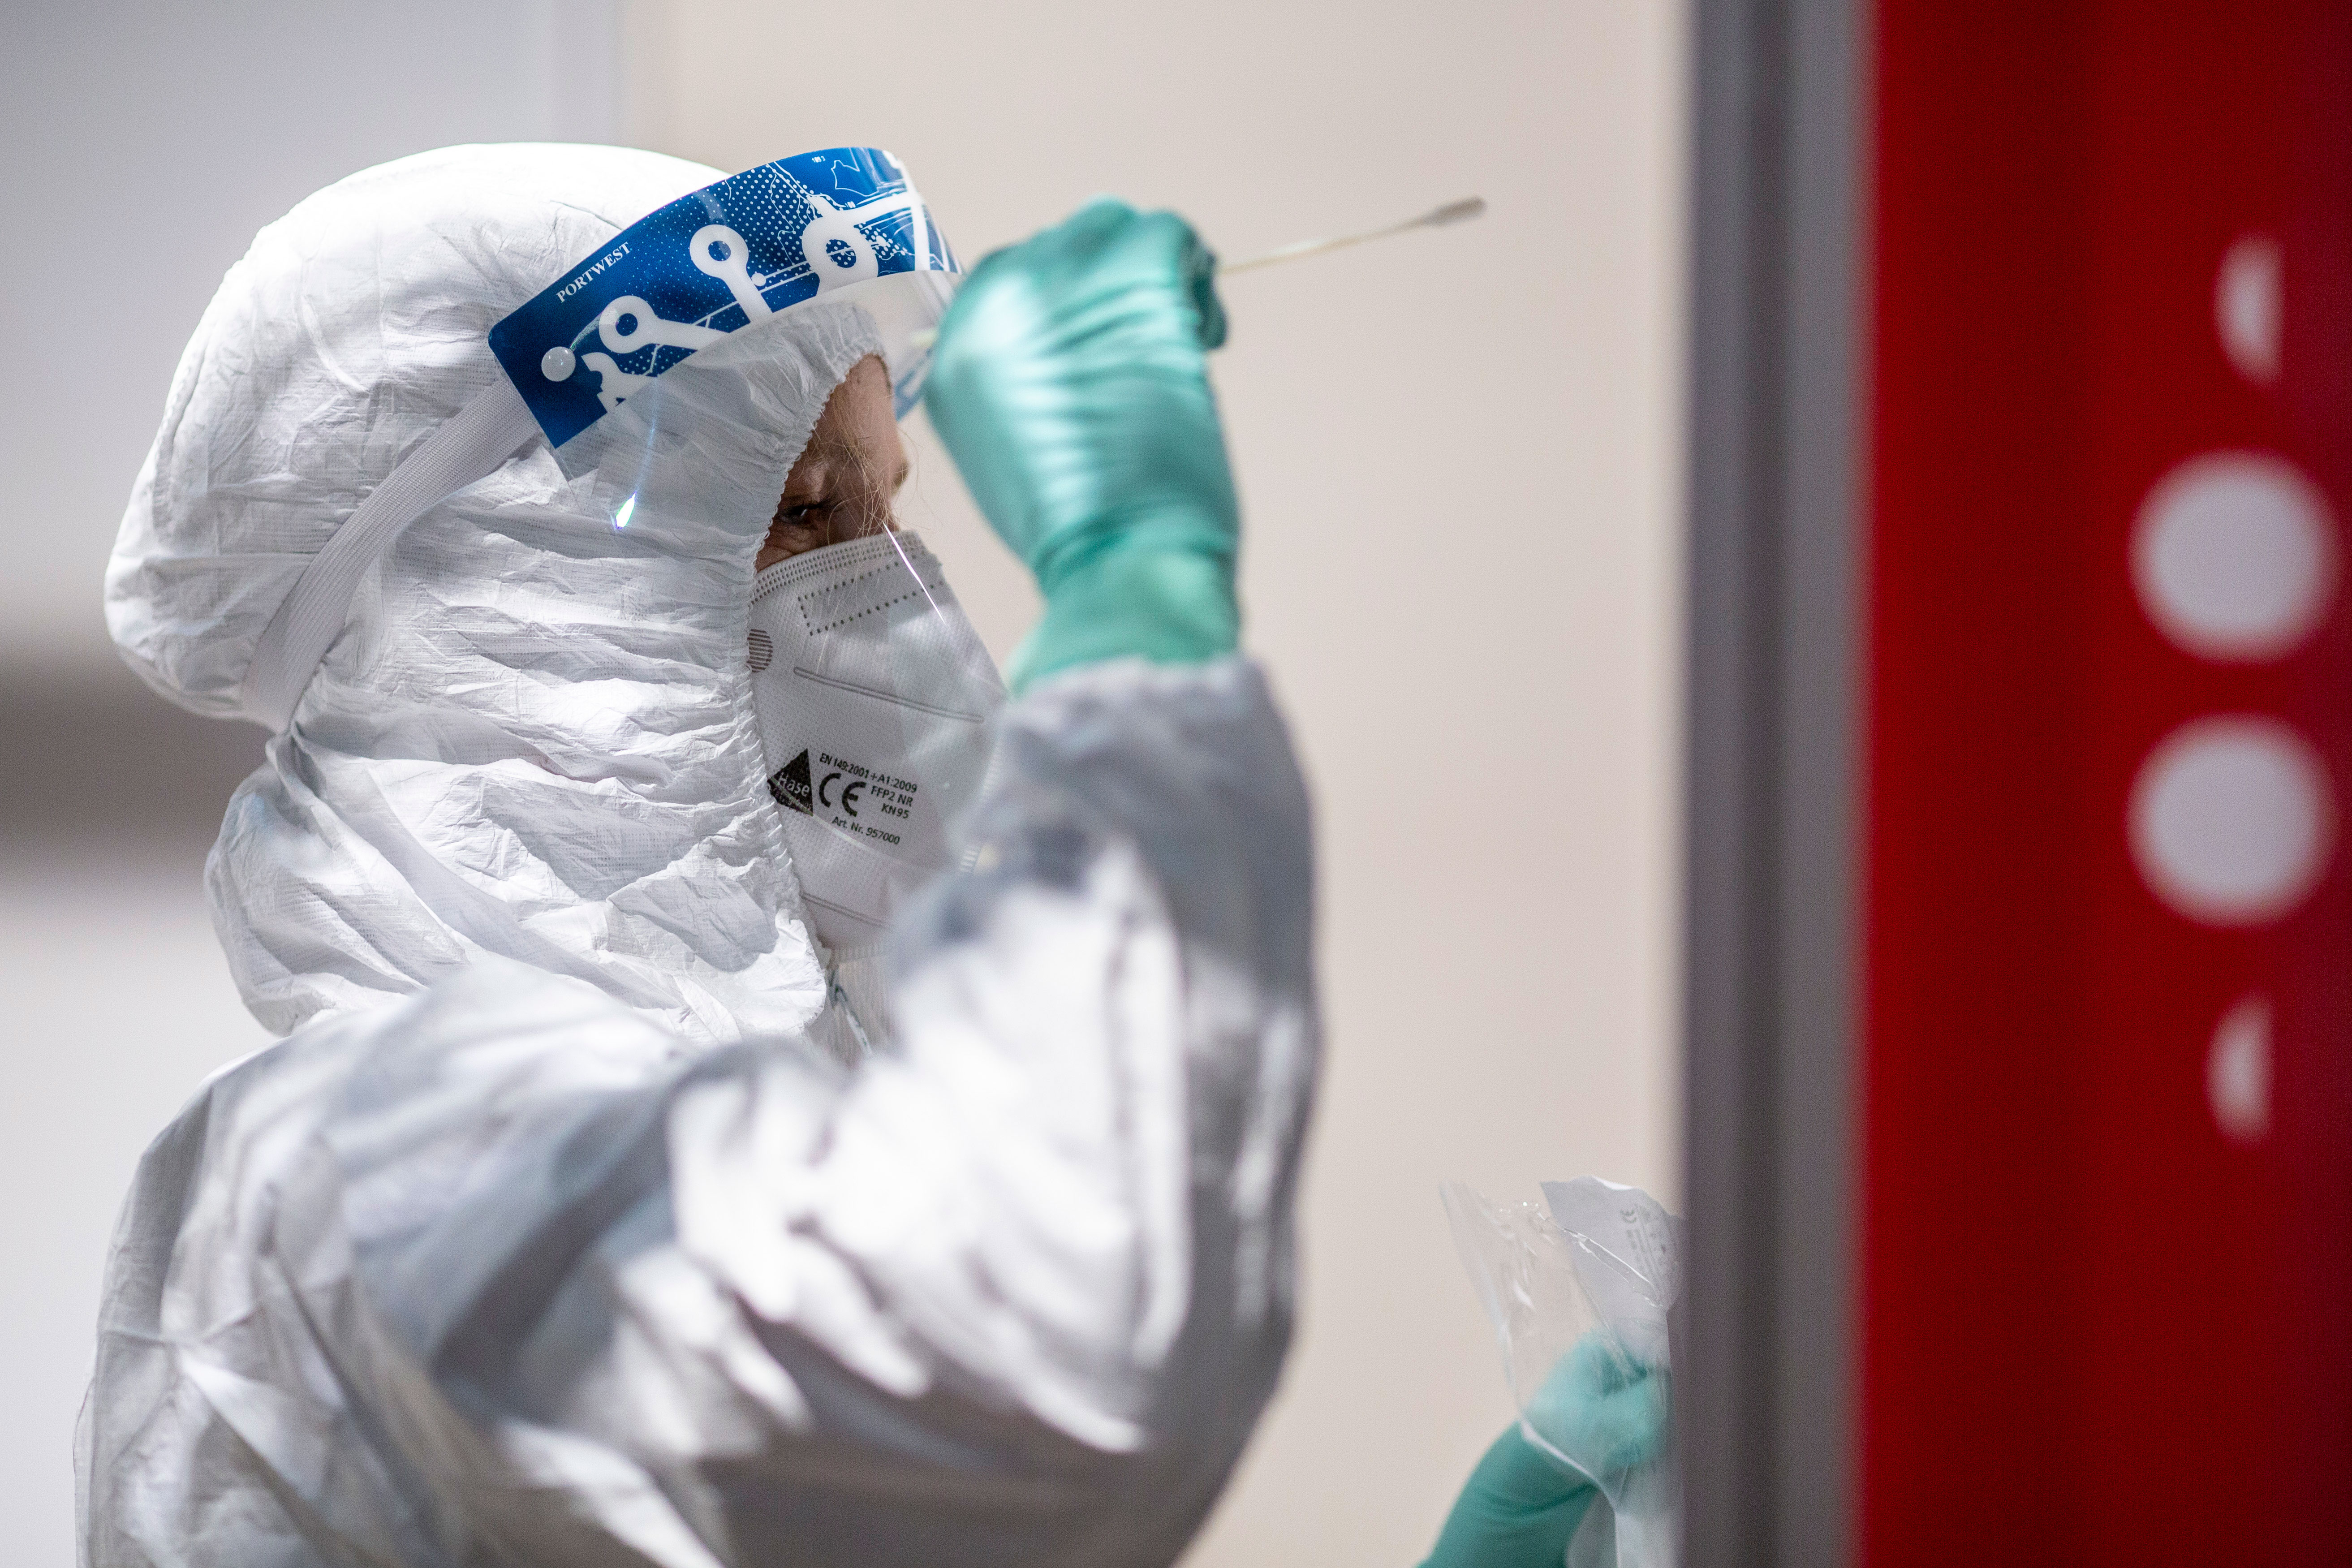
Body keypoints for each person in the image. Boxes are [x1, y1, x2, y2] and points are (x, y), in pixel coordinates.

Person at [81, 142, 1315, 1568]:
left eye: (889, 509)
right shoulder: (370, 1160)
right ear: (511, 608)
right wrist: (1134, 606)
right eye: (802, 511)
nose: (900, 596)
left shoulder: (731, 1111)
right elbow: (1042, 1380)